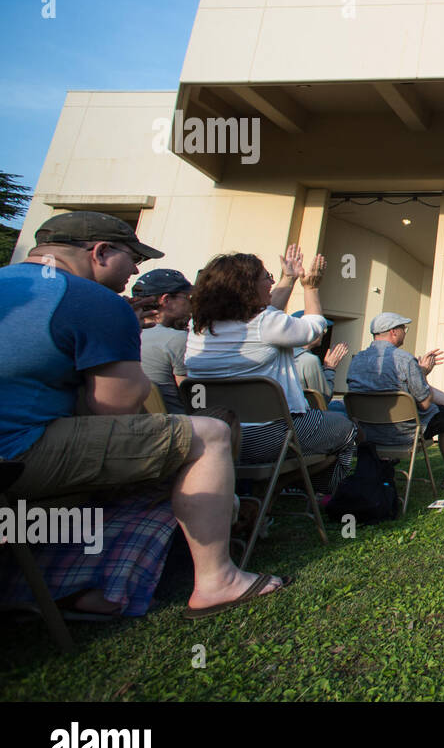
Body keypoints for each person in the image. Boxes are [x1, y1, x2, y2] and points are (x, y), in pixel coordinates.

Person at [0, 211, 285, 618]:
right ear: (100, 252)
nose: (135, 270)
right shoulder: (90, 299)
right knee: (209, 433)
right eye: (133, 257)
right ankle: (217, 580)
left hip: (16, 453)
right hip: (17, 455)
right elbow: (114, 411)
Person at [185, 250, 357, 493]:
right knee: (345, 427)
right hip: (267, 438)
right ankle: (306, 491)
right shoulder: (266, 323)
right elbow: (315, 329)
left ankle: (268, 491)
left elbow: (263, 318)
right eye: (266, 277)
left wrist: (289, 278)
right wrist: (311, 288)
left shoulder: (199, 328)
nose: (272, 282)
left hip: (213, 434)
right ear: (246, 286)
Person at [346, 312, 444, 490]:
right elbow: (424, 403)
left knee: (427, 398)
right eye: (404, 329)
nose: (405, 332)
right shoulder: (404, 360)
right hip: (402, 434)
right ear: (393, 332)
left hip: (366, 434)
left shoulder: (356, 361)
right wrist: (422, 374)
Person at [131, 268, 193, 414]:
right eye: (186, 296)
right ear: (166, 300)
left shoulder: (124, 334)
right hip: (178, 425)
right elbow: (194, 397)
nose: (190, 302)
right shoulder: (176, 339)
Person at [290, 311, 348, 400]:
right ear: (311, 330)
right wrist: (329, 368)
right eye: (323, 330)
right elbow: (323, 400)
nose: (324, 334)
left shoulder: (282, 354)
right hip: (302, 412)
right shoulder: (309, 360)